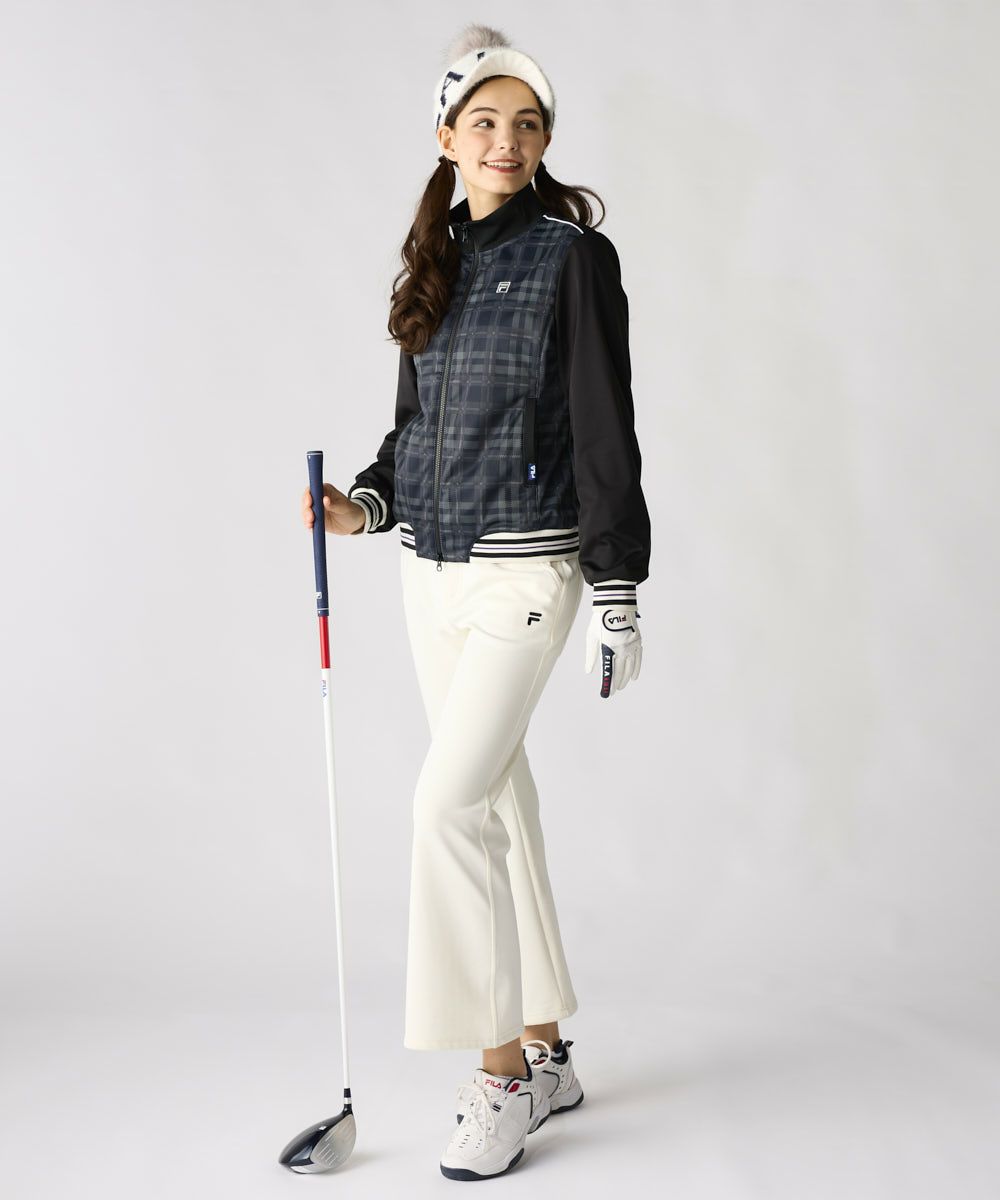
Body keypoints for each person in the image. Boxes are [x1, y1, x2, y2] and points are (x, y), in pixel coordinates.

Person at [301, 23, 651, 1181]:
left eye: (527, 123)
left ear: (544, 141)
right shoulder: (435, 260)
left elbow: (604, 428)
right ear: (447, 137)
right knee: (496, 799)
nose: (507, 140)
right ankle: (549, 1055)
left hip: (528, 570)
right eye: (485, 121)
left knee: (445, 806)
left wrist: (616, 586)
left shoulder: (572, 258)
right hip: (432, 573)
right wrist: (361, 505)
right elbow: (413, 433)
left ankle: (499, 1078)